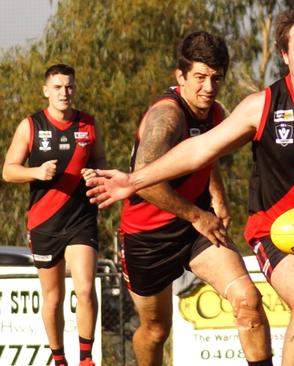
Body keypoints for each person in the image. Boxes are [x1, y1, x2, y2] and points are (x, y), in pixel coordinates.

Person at [86, 7, 294, 366]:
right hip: (190, 234)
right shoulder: (218, 111)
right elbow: (196, 152)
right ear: (284, 54)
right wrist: (134, 181)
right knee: (155, 330)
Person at [115, 31, 272, 366]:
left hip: (195, 230)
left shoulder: (214, 112)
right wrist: (198, 215)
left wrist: (217, 196)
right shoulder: (167, 117)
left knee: (248, 300)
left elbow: (204, 153)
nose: (209, 87)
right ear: (180, 77)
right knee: (156, 331)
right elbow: (143, 183)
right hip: (148, 235)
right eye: (200, 77)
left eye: (216, 78)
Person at [2, 64, 105, 366]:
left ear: (75, 88)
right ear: (46, 90)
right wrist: (36, 171)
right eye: (58, 87)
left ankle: (86, 359)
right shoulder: (31, 126)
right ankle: (59, 358)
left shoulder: (88, 124)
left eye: (69, 86)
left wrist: (94, 173)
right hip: (44, 222)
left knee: (85, 287)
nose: (65, 92)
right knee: (54, 297)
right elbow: (8, 170)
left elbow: (101, 161)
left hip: (81, 219)